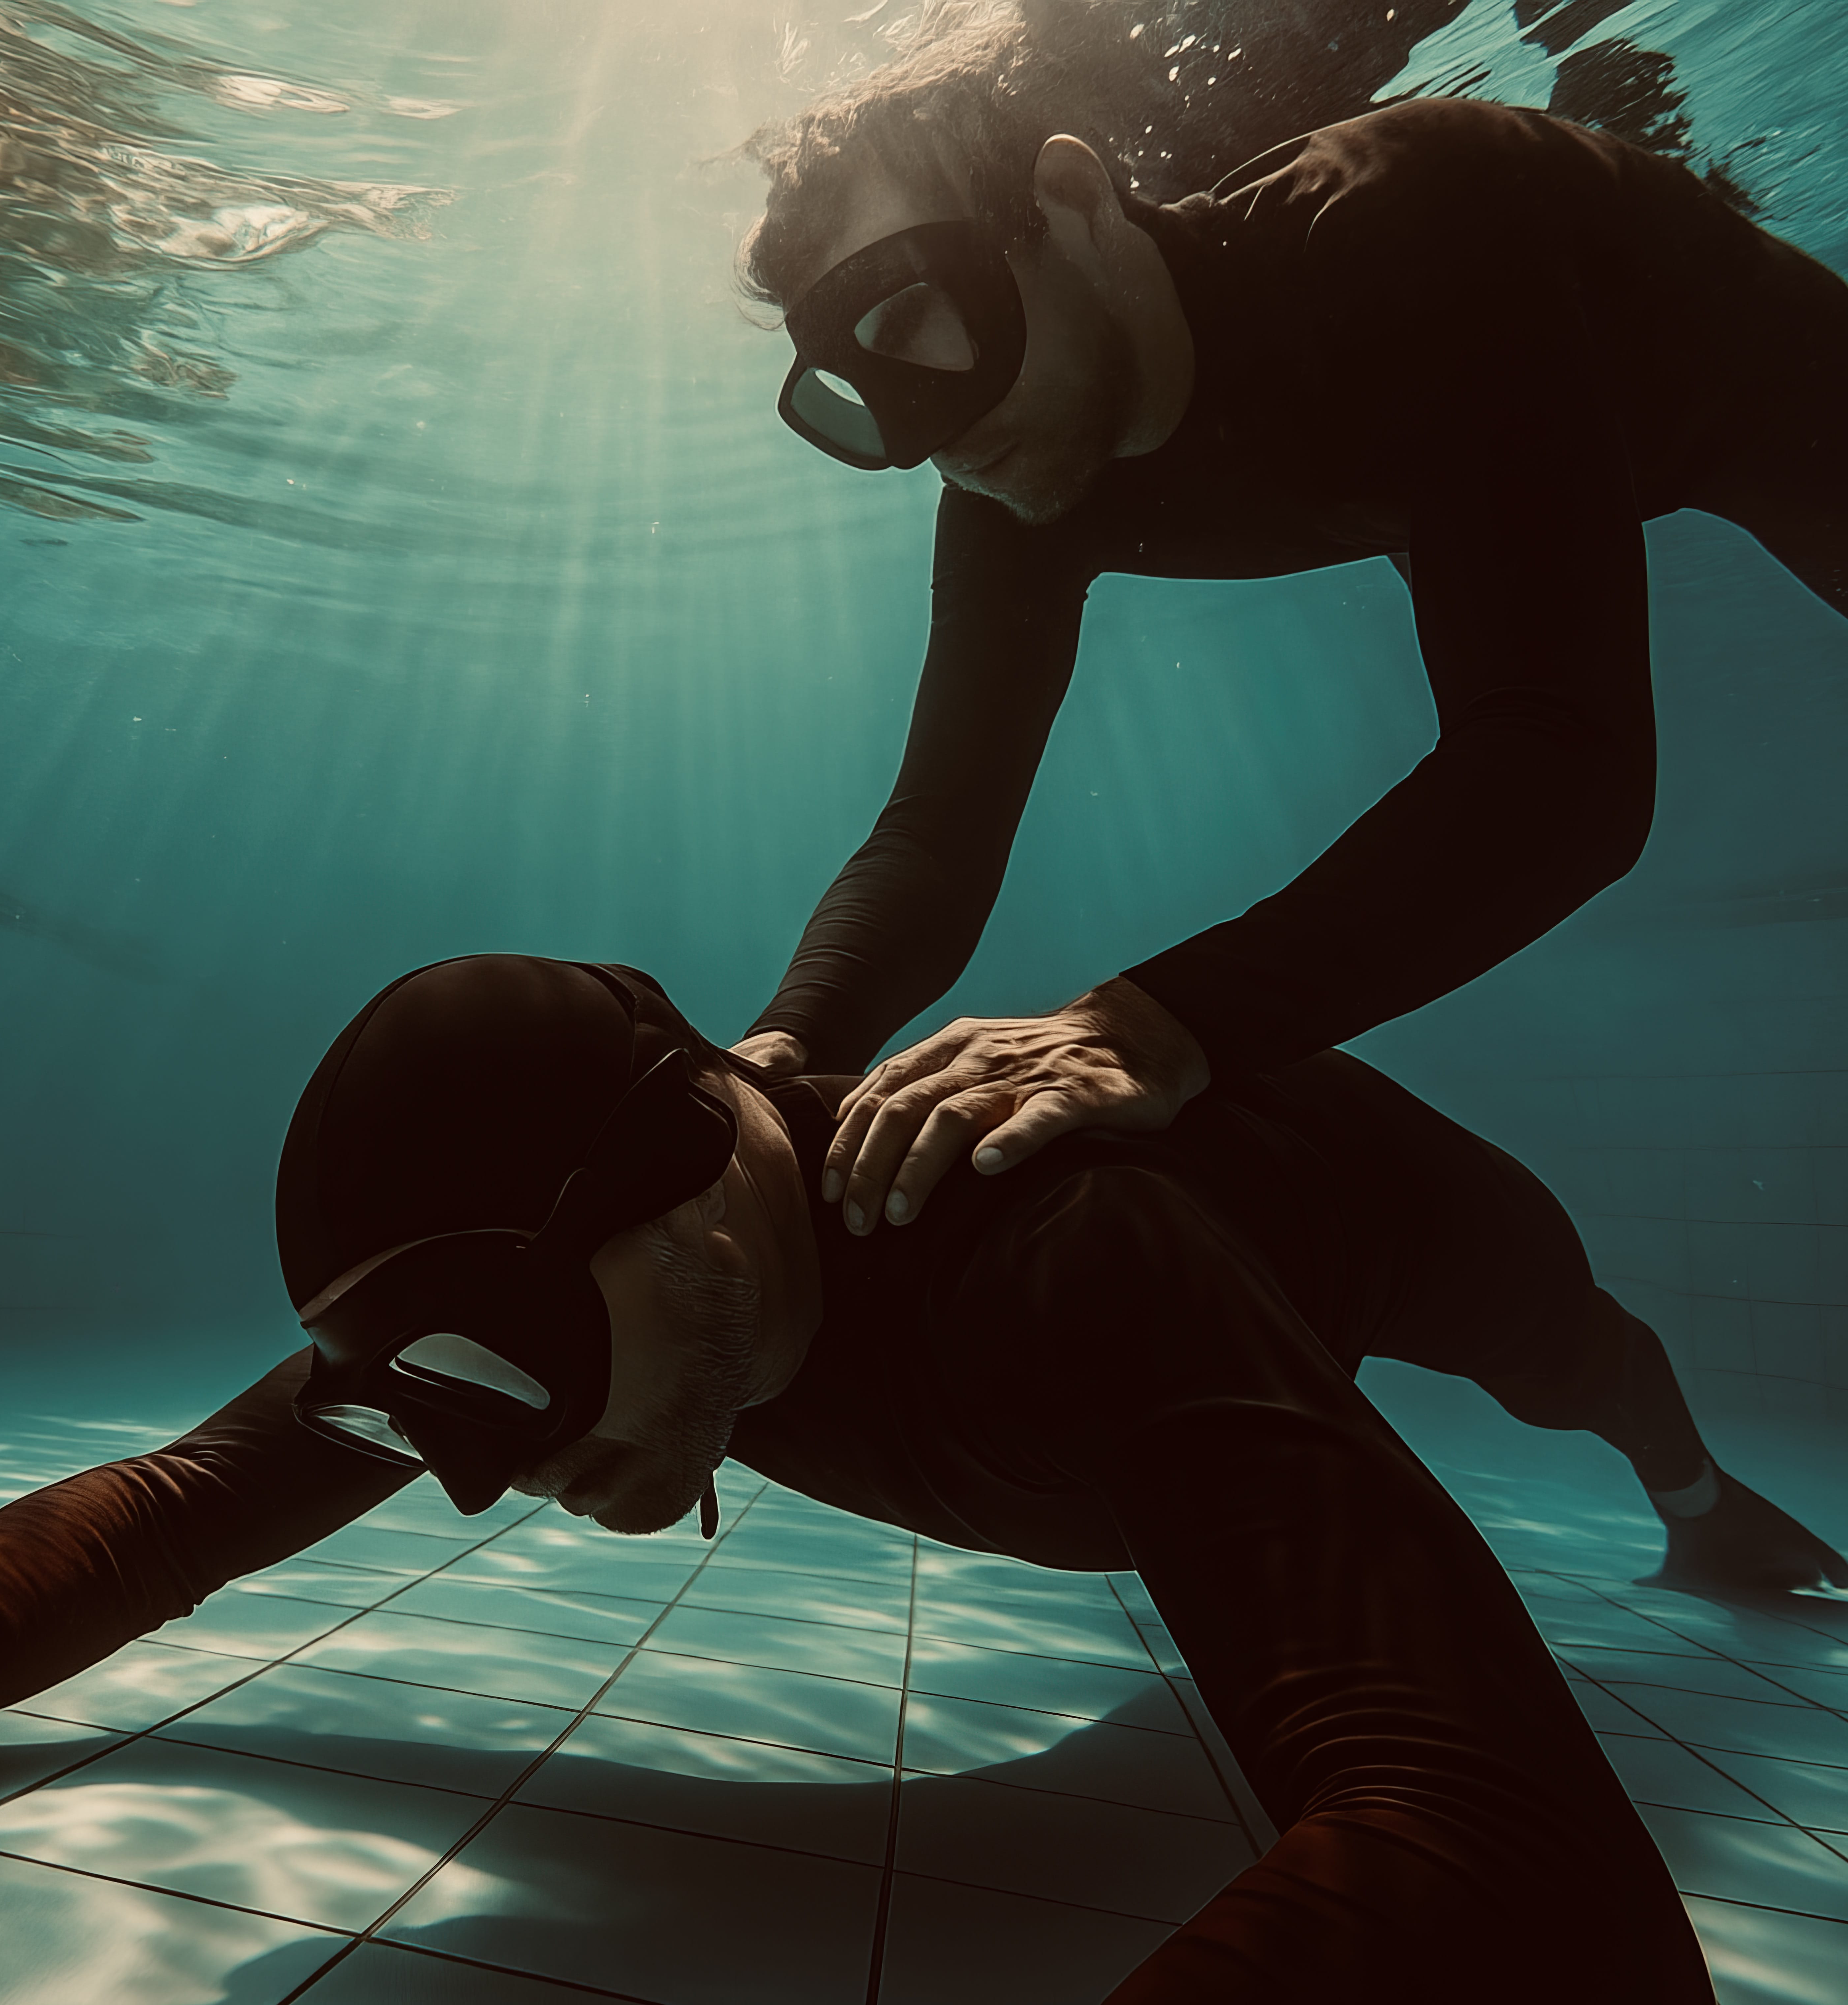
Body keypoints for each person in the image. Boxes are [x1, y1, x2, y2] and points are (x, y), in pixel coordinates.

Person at [0, 955, 1840, 2005]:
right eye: (423, 1391)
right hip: (1157, 1384)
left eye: (496, 1364)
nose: (482, 1469)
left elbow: (1502, 1852)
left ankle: (1700, 1503)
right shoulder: (543, 1300)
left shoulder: (1070, 1256)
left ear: (685, 1170)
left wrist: (1675, 1484)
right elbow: (180, 1501)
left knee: (1581, 1365)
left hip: (1365, 1202)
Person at [726, 7, 1848, 1249]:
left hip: (1774, 396)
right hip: (1481, 451)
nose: (920, 430)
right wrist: (775, 1061)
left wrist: (1148, 1026)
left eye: (915, 315)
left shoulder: (1409, 225)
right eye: (853, 391)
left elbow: (1564, 761)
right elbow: (938, 830)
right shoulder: (1018, 462)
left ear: (1074, 198)